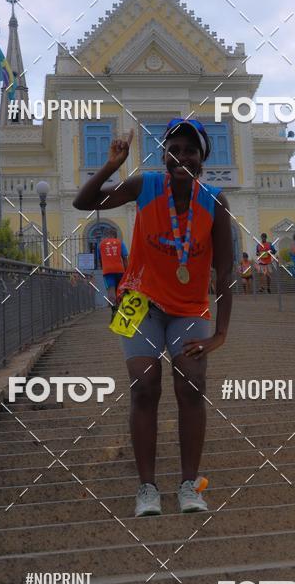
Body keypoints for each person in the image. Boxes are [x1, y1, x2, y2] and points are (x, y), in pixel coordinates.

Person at [73, 118, 233, 517]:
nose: (181, 156)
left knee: (192, 385)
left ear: (201, 160)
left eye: (190, 150)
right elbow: (83, 202)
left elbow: (226, 272)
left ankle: (188, 484)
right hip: (140, 301)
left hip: (189, 308)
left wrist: (221, 334)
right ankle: (147, 488)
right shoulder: (144, 186)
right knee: (144, 386)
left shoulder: (214, 202)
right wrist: (112, 165)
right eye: (174, 149)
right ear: (163, 155)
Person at [98, 229, 128, 308]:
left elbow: (100, 259)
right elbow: (125, 257)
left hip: (107, 270)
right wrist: (127, 270)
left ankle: (112, 305)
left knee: (111, 288)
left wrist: (103, 267)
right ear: (115, 236)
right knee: (120, 287)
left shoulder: (101, 244)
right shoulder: (120, 243)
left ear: (107, 236)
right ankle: (121, 305)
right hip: (119, 269)